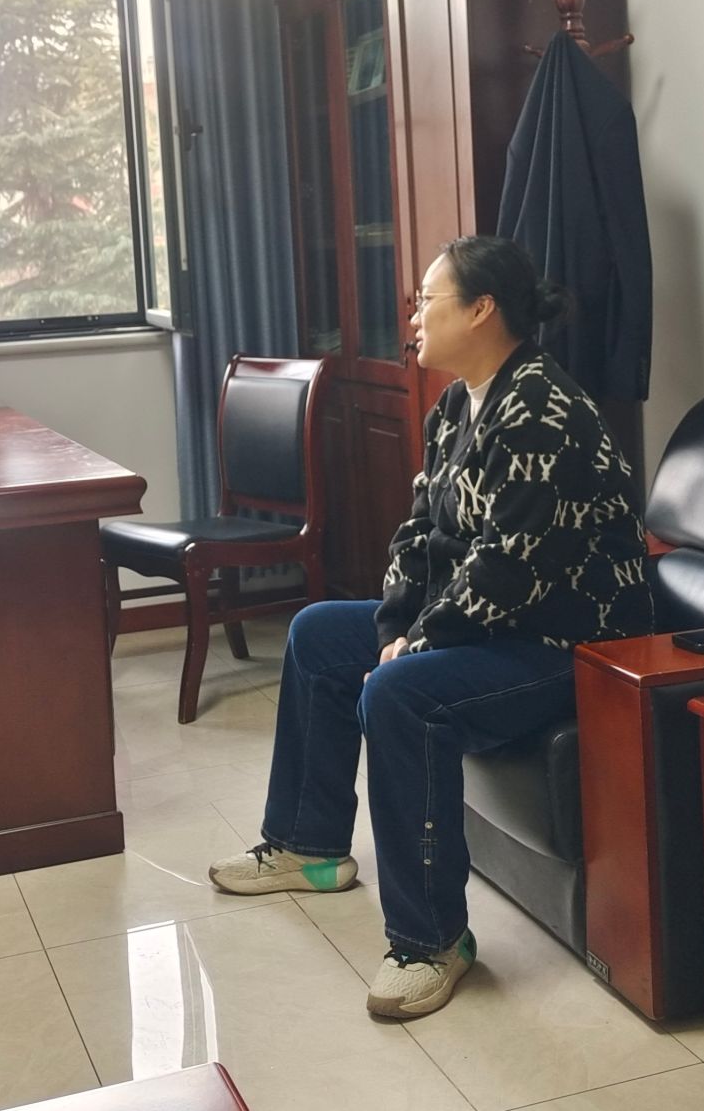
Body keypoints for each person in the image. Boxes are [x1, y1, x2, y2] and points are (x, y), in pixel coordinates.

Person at [208, 235, 652, 1018]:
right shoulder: (456, 406)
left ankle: (431, 941)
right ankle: (309, 845)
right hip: (493, 624)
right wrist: (395, 622)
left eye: (427, 300)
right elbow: (420, 535)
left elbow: (510, 569)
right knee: (317, 634)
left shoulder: (542, 410)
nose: (412, 316)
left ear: (482, 310)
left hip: (568, 643)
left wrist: (417, 643)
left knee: (400, 694)